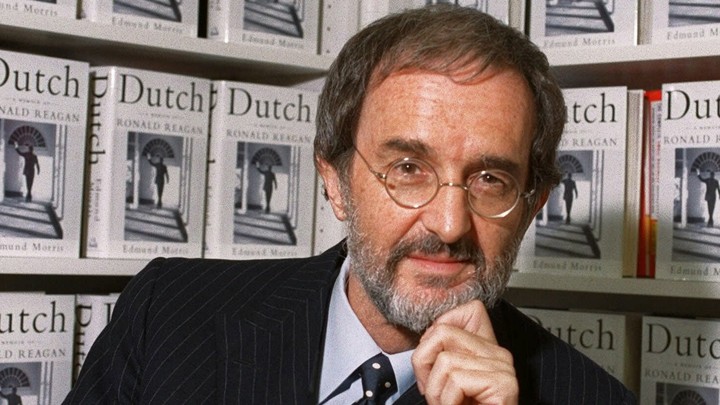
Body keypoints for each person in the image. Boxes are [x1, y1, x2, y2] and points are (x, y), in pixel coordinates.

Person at [64, 5, 636, 404]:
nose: (449, 224)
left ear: (532, 204)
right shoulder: (169, 314)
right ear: (335, 180)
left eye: (490, 179)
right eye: (409, 169)